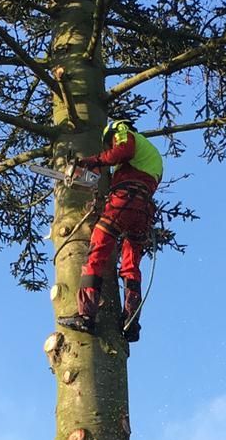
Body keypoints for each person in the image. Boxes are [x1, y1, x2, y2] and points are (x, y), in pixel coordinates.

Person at [57, 118, 163, 342]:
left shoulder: (122, 131)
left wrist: (92, 161)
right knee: (131, 265)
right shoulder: (152, 157)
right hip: (144, 209)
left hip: (125, 200)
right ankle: (131, 321)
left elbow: (123, 150)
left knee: (97, 250)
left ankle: (86, 315)